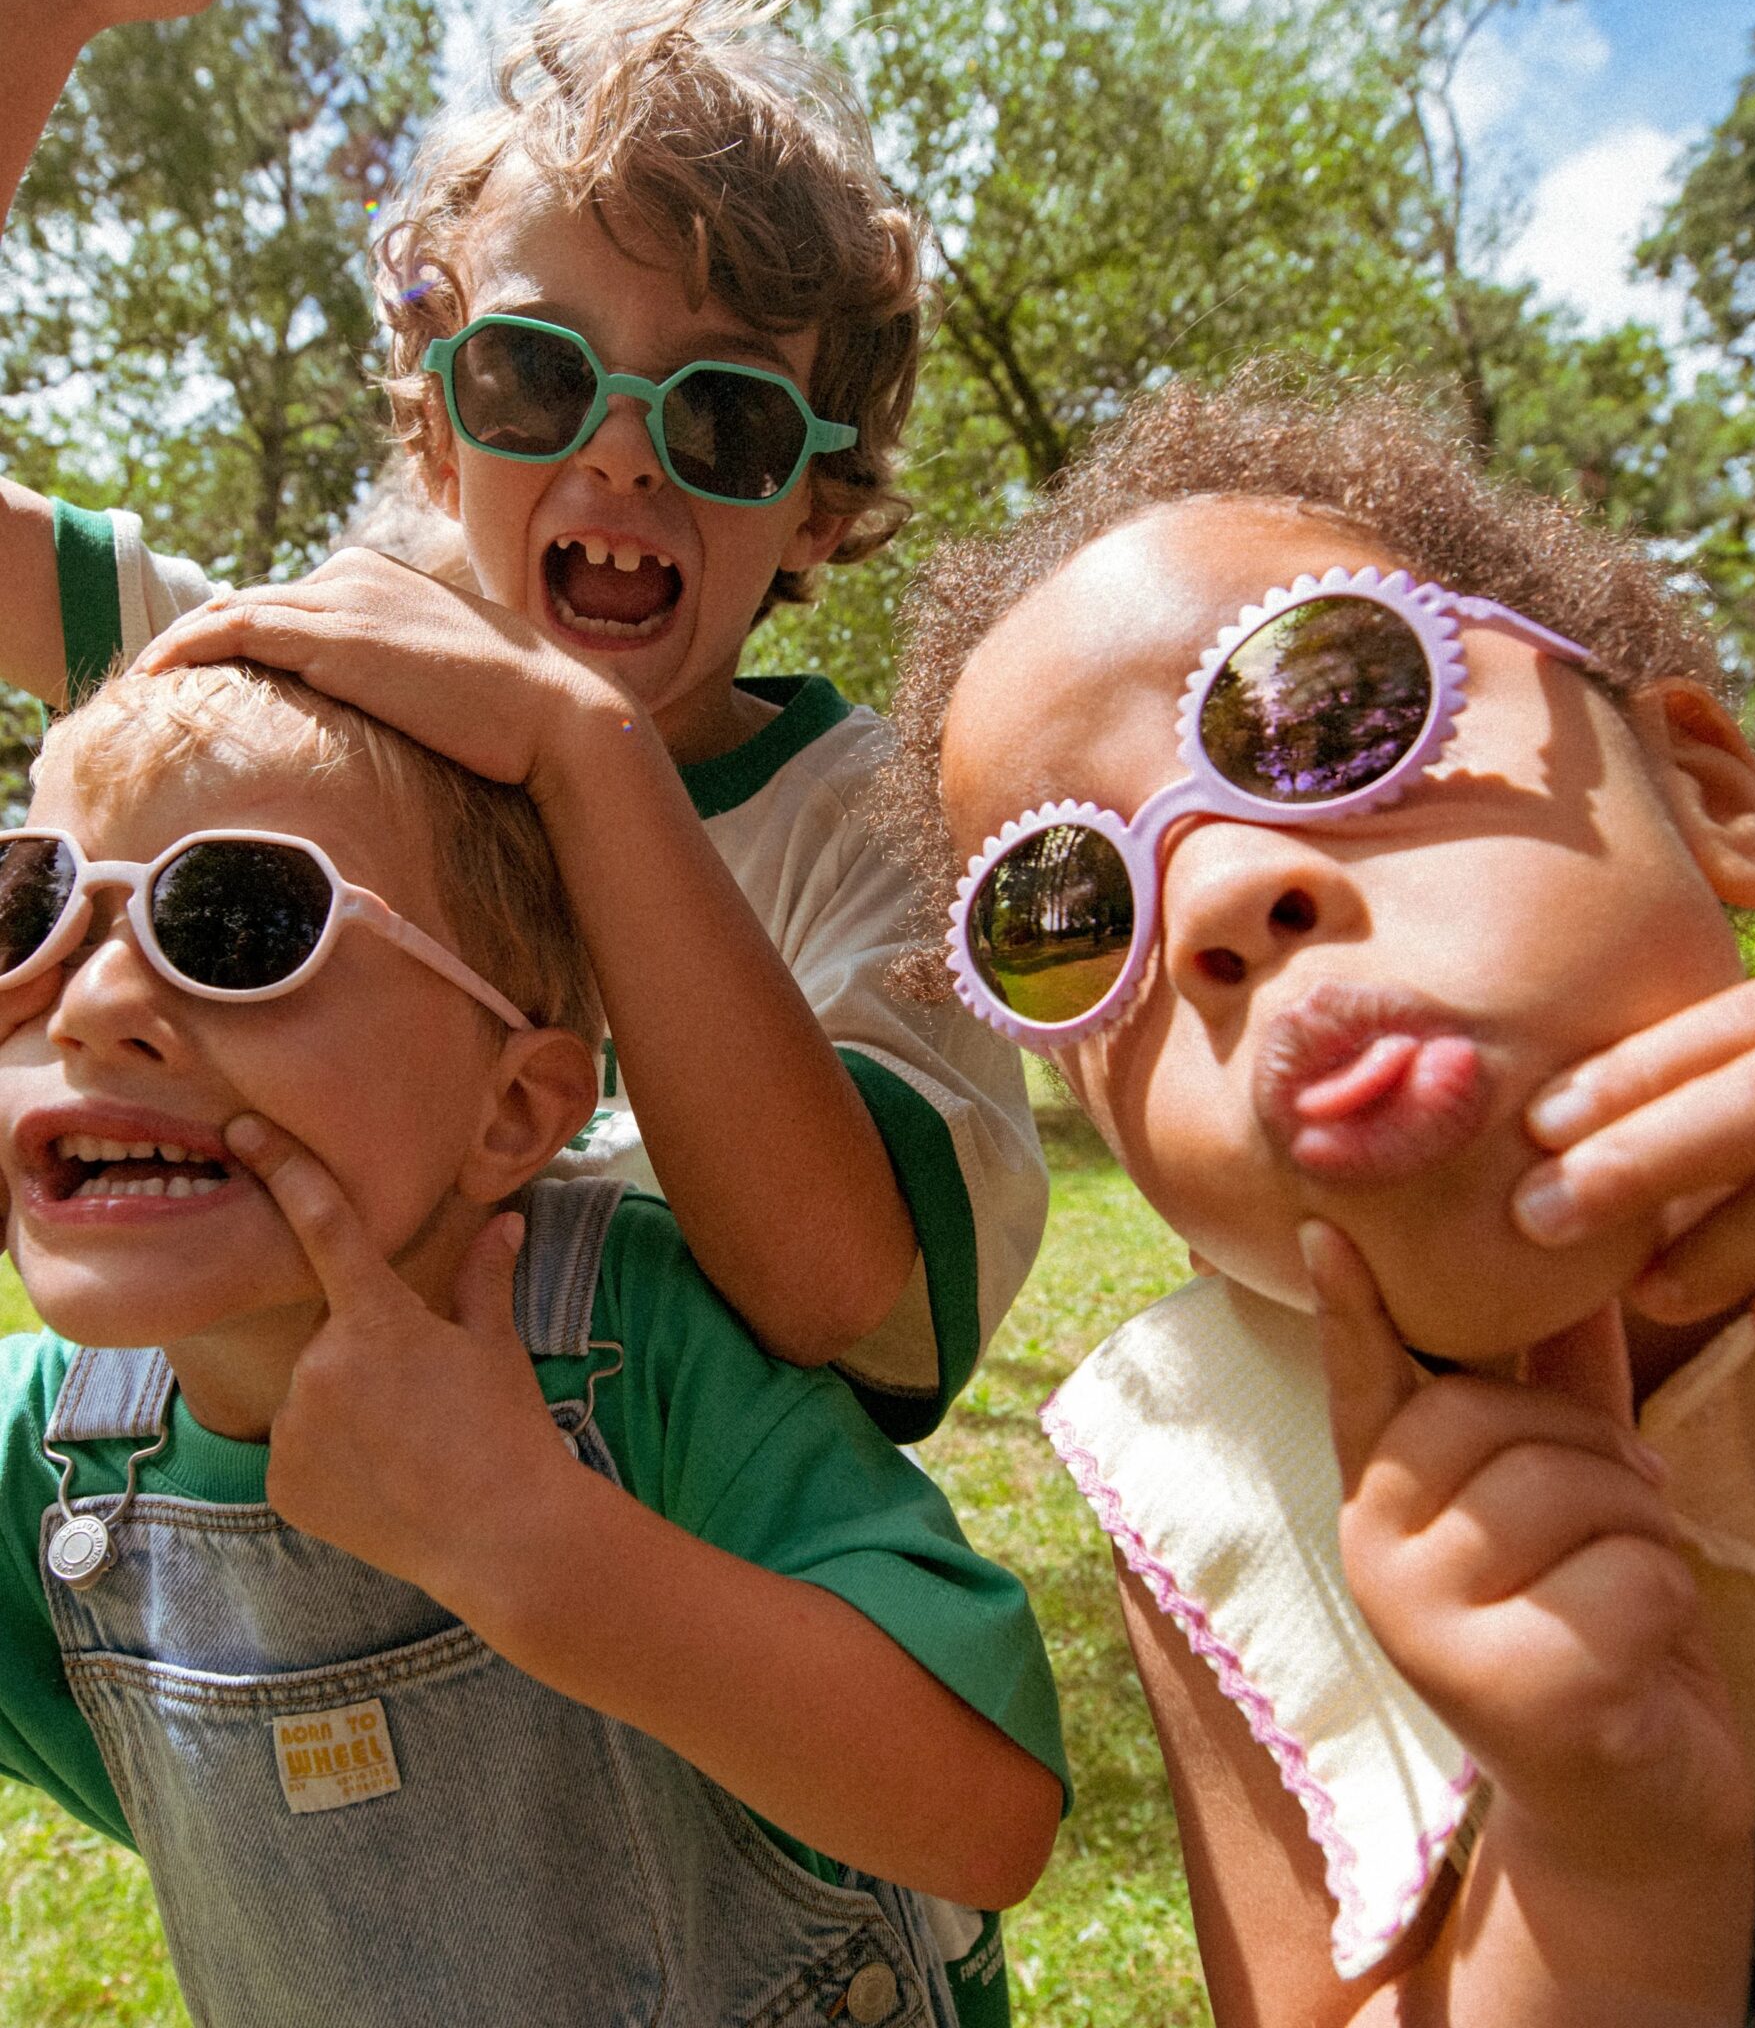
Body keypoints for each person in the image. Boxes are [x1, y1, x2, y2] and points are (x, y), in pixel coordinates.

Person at [0, 0, 1045, 1443]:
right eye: (533, 376)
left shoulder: (871, 825)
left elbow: (848, 1297)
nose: (619, 454)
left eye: (723, 416)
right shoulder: (276, 706)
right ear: (435, 429)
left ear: (816, 503)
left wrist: (578, 749)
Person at [876, 374, 1755, 2025]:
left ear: (1707, 795)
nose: (1221, 894)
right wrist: (1600, 1857)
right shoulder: (1219, 1470)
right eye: (1069, 918)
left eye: (1331, 716)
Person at [0, 655, 1065, 2028]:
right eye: (30, 912)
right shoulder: (48, 1469)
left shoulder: (642, 1345)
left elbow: (984, 1817)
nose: (91, 1007)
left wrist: (522, 1541)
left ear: (513, 1110)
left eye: (239, 925)